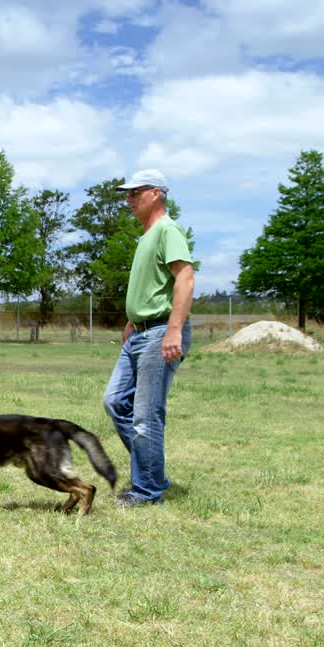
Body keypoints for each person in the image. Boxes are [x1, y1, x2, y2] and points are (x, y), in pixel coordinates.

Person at [103, 169, 195, 507]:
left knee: (145, 414)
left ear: (155, 193)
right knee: (115, 402)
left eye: (134, 193)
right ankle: (153, 475)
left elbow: (185, 278)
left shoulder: (168, 230)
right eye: (127, 194)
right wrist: (132, 321)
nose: (128, 200)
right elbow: (152, 287)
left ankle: (146, 491)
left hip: (160, 333)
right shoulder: (146, 237)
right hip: (139, 333)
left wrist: (173, 329)